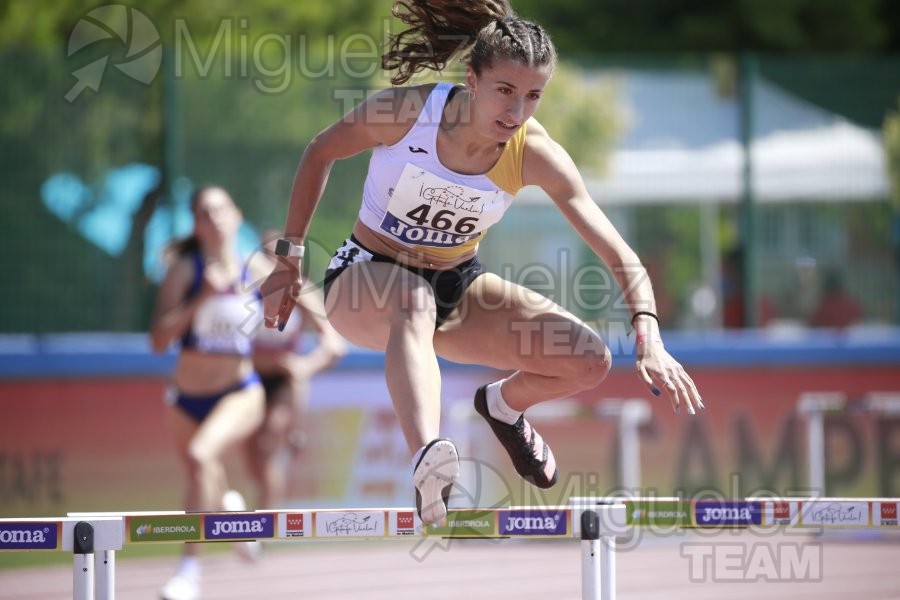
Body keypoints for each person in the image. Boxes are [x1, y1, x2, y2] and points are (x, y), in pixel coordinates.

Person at [260, 0, 703, 526]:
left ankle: (502, 406)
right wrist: (289, 257)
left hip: (456, 286)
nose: (516, 114)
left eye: (533, 97)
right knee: (411, 298)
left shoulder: (534, 153)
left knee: (588, 359)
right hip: (365, 276)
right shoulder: (407, 114)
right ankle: (428, 459)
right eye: (506, 92)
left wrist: (648, 335)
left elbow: (620, 254)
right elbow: (320, 151)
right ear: (472, 80)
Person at [150, 186, 266, 600]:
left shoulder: (258, 269)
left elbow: (310, 312)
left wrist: (309, 357)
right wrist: (203, 297)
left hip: (239, 391)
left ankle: (188, 572)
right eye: (203, 213)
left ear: (236, 215)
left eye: (220, 210)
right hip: (185, 398)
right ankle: (230, 509)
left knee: (201, 456)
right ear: (196, 225)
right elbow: (159, 341)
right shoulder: (185, 269)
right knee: (201, 469)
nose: (213, 218)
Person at [248, 234, 347, 510]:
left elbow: (335, 346)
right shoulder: (244, 289)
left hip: (281, 382)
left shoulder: (300, 290)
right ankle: (245, 516)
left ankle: (260, 532)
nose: (273, 265)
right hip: (247, 379)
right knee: (252, 459)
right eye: (268, 257)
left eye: (281, 259)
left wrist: (302, 367)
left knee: (268, 448)